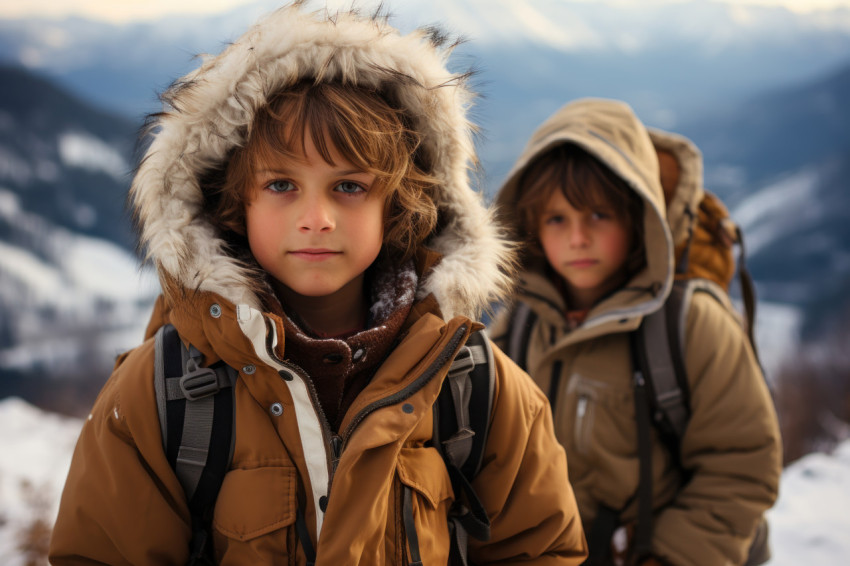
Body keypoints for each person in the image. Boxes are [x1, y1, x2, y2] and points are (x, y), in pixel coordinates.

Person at [48, 5, 588, 565]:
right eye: (282, 184)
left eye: (349, 186)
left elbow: (543, 549)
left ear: (398, 206)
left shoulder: (475, 385)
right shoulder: (159, 397)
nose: (317, 218)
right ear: (235, 204)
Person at [488, 98, 782, 566]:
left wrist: (665, 557)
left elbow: (741, 468)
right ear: (530, 226)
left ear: (638, 219)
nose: (577, 238)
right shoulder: (523, 321)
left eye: (598, 215)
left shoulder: (690, 324)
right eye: (557, 219)